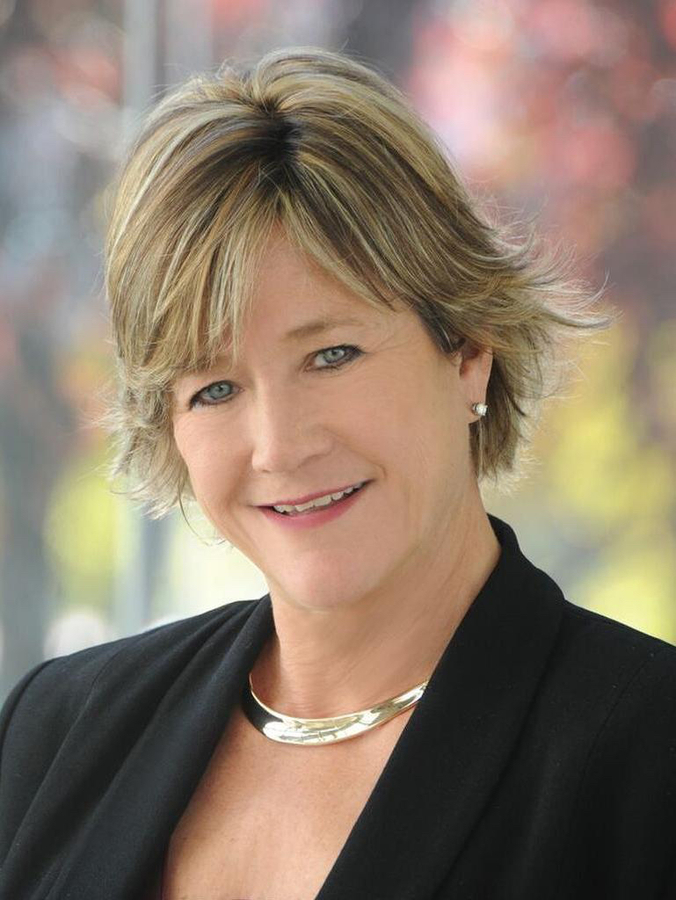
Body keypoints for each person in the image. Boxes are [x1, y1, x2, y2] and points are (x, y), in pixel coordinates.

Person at [0, 45, 675, 900]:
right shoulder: (55, 731)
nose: (279, 447)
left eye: (331, 355)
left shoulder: (649, 755)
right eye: (214, 389)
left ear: (468, 349)